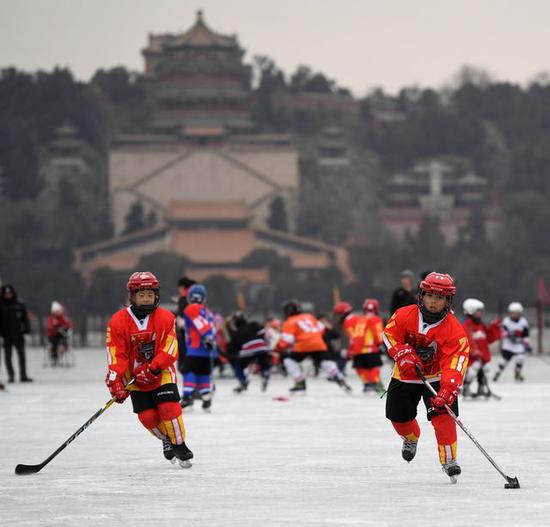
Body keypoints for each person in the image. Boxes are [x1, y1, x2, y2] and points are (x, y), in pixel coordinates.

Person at [383, 272, 470, 482]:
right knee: (398, 416)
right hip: (404, 376)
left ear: (448, 301)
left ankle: (449, 460)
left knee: (444, 417)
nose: (434, 301)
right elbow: (389, 334)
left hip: (436, 377)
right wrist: (401, 353)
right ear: (421, 295)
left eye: (440, 298)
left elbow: (456, 361)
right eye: (430, 295)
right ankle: (411, 438)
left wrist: (448, 387)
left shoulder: (454, 330)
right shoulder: (405, 314)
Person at [105, 271, 193, 468]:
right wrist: (115, 380)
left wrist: (153, 369)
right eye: (141, 294)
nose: (146, 299)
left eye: (150, 294)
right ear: (132, 296)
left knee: (169, 408)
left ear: (157, 295)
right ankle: (166, 439)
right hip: (134, 379)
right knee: (148, 417)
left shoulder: (166, 317)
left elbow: (170, 348)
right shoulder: (118, 321)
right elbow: (115, 353)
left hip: (161, 373)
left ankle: (179, 444)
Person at [276, 300, 351, 393]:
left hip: (302, 345)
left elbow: (287, 340)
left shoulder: (290, 321)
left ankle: (299, 381)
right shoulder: (309, 316)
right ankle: (338, 377)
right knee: (324, 361)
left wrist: (277, 348)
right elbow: (322, 328)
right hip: (318, 343)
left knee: (289, 360)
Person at [180, 284, 217, 412]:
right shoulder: (208, 311)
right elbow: (212, 327)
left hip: (195, 348)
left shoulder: (191, 308)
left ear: (190, 297)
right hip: (207, 351)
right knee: (203, 374)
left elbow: (202, 324)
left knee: (187, 370)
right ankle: (206, 399)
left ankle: (187, 397)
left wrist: (207, 337)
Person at [336, 299, 385, 394]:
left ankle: (367, 385)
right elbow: (377, 334)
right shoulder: (376, 319)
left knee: (361, 368)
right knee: (374, 367)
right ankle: (375, 383)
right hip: (371, 348)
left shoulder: (360, 319)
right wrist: (380, 344)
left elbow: (354, 336)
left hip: (358, 349)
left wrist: (352, 349)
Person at [461, 298, 501, 397]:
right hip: (472, 357)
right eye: (478, 311)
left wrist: (494, 328)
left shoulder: (480, 325)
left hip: (481, 355)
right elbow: (467, 339)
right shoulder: (467, 325)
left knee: (485, 369)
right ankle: (466, 388)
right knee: (475, 368)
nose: (480, 313)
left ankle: (481, 387)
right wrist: (473, 351)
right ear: (471, 311)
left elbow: (488, 338)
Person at [226, 311, 271, 393]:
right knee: (264, 363)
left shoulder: (236, 333)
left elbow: (234, 347)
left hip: (248, 350)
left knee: (238, 368)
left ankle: (243, 381)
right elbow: (263, 332)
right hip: (261, 346)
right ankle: (265, 373)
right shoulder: (253, 324)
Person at [0, 284, 33, 383]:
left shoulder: (19, 304)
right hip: (6, 335)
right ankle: (11, 376)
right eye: (6, 294)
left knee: (22, 356)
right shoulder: (1, 305)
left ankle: (23, 375)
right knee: (7, 357)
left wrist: (26, 329)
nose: (8, 295)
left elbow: (25, 319)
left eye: (9, 293)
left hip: (18, 334)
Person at [493, 302, 531, 382]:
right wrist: (510, 335)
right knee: (503, 362)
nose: (514, 315)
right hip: (508, 345)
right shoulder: (506, 321)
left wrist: (527, 345)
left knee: (521, 358)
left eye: (516, 313)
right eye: (512, 313)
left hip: (518, 345)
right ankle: (498, 374)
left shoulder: (523, 322)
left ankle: (517, 373)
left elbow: (526, 334)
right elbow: (503, 332)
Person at [175, 276, 196, 375]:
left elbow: (181, 315)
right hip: (195, 334)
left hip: (184, 333)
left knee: (184, 362)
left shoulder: (184, 298)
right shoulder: (196, 298)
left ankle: (190, 384)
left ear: (182, 287)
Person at [46, 301, 74, 367]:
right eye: (58, 311)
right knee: (55, 343)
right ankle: (54, 356)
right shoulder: (51, 318)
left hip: (61, 335)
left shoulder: (63, 318)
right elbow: (50, 327)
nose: (60, 312)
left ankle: (61, 350)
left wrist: (67, 327)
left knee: (64, 342)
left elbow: (69, 324)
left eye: (60, 311)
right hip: (52, 336)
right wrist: (56, 328)